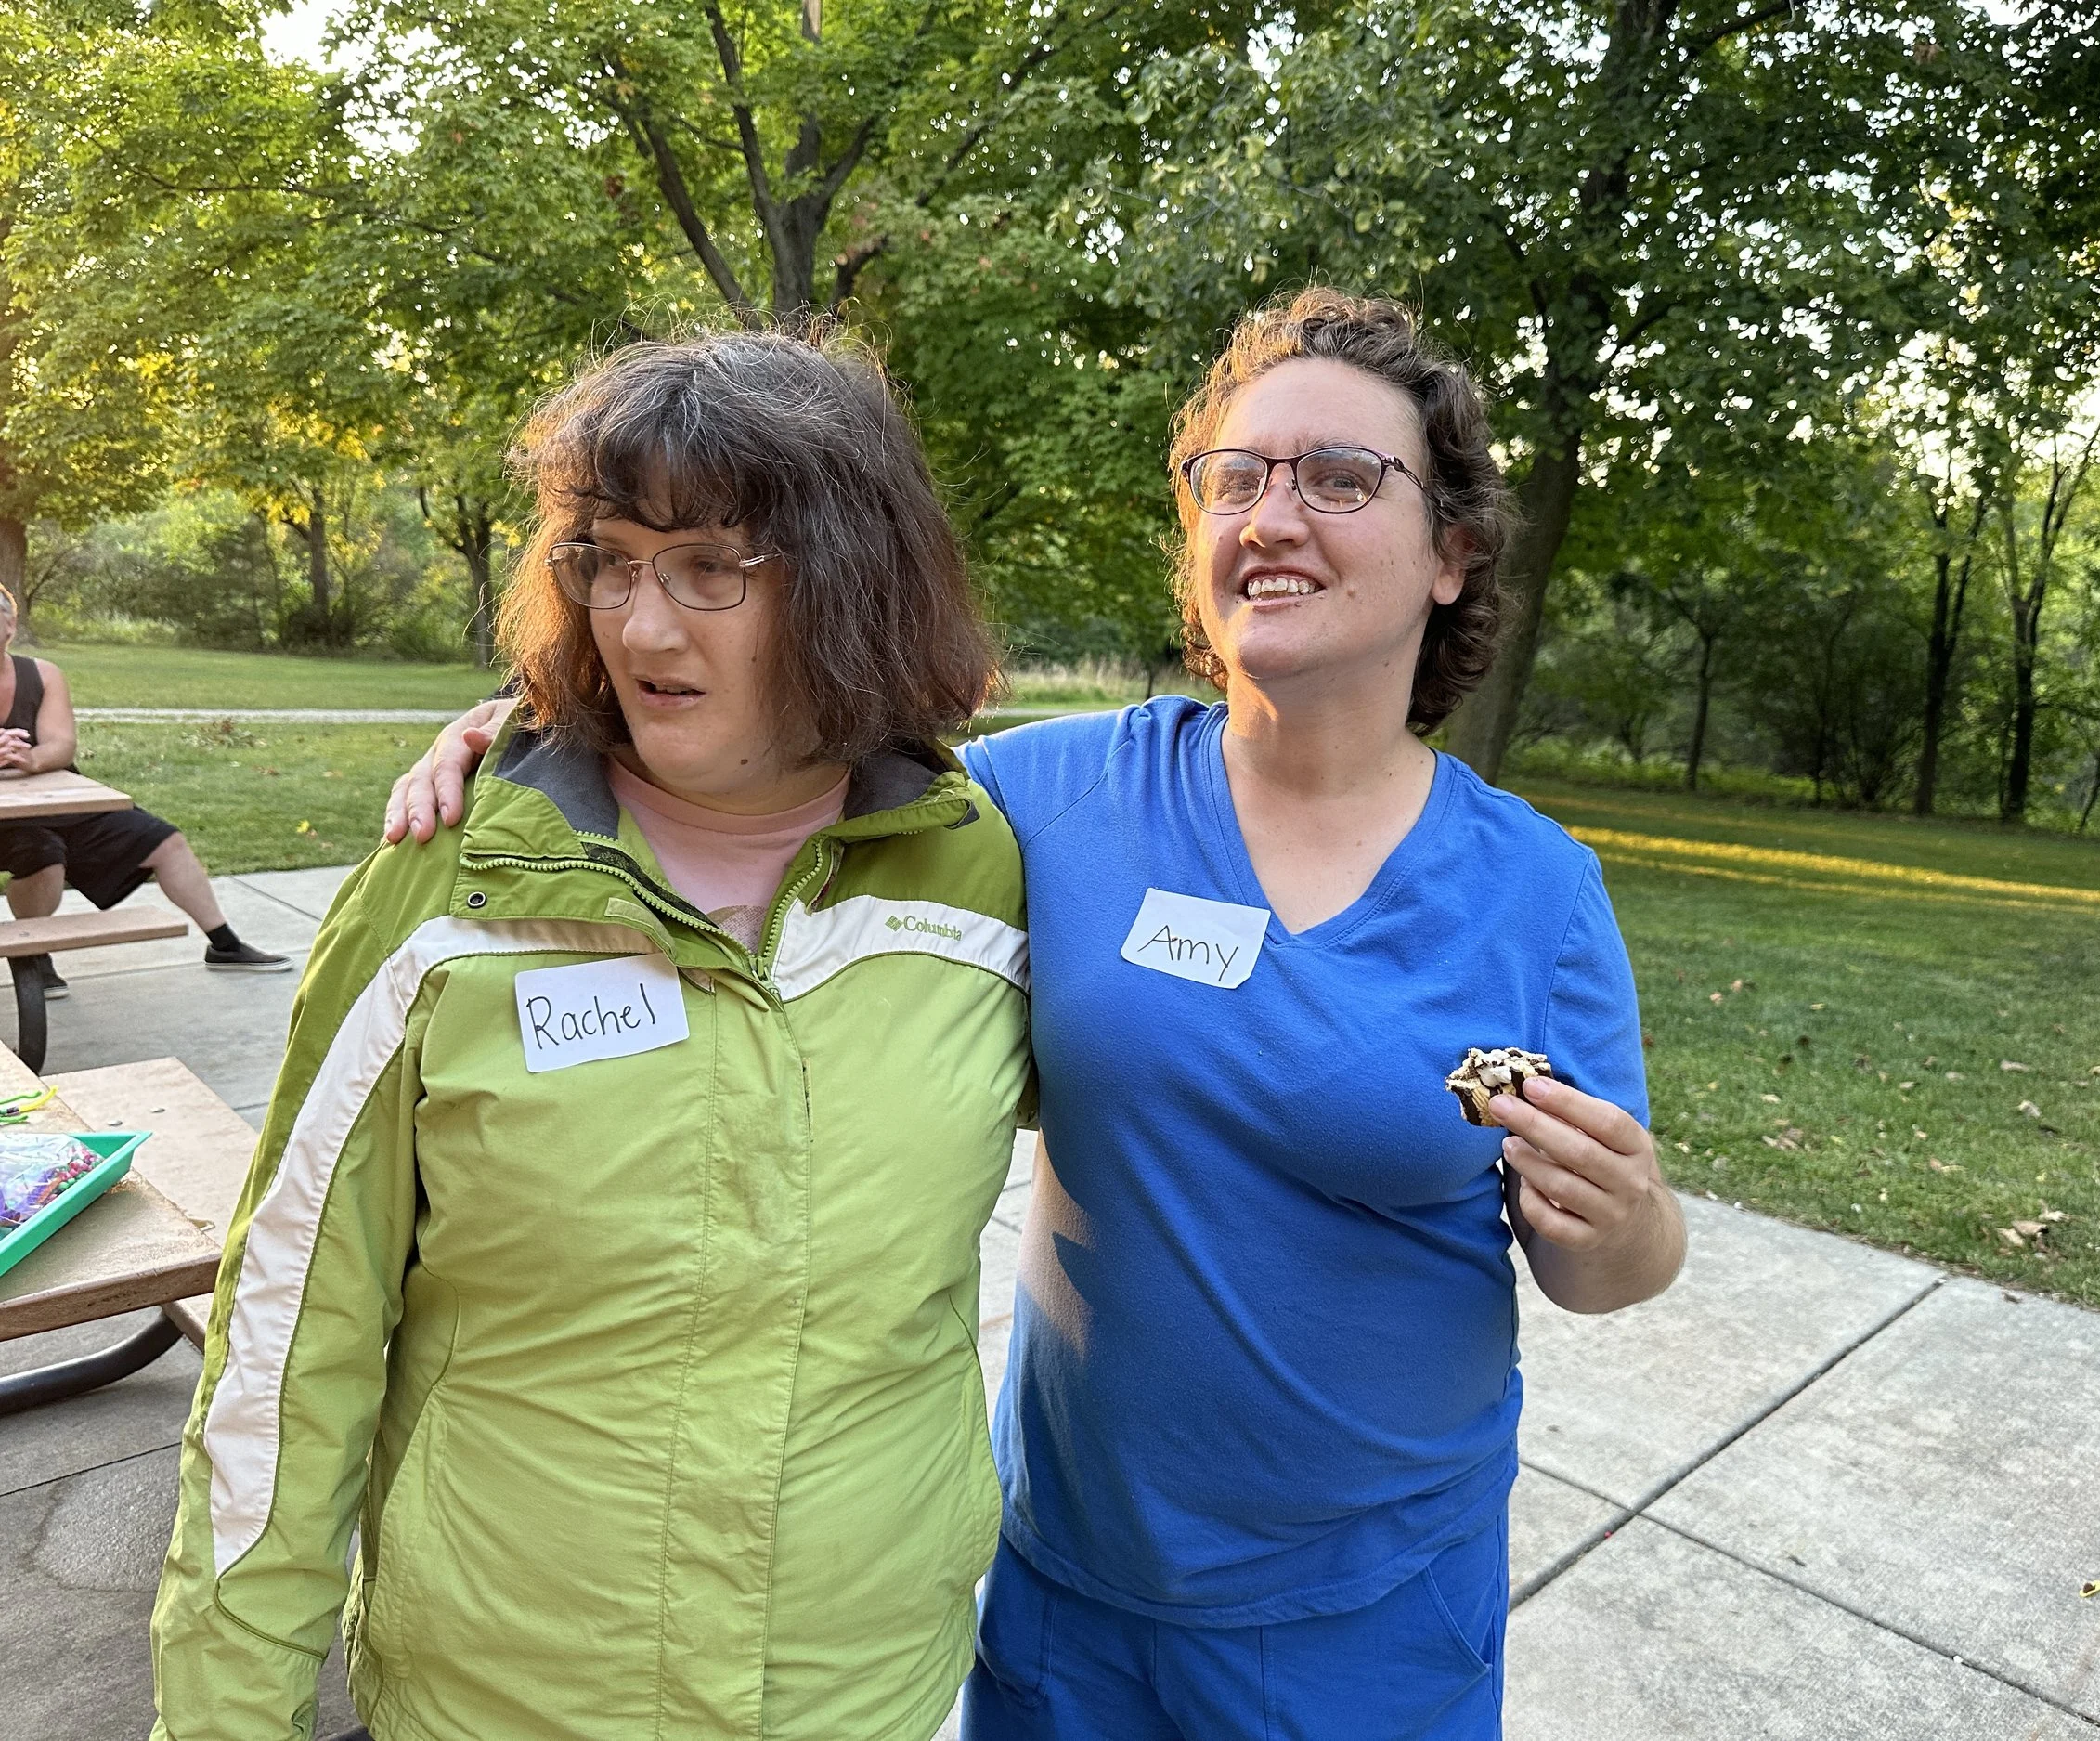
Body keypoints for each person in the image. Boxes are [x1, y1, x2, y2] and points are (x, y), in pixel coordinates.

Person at [384, 291, 1685, 1740]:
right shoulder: (1040, 800)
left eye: (1338, 477)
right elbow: (752, 732)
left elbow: (1606, 1267)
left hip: (1369, 1607)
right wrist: (539, 721)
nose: (1273, 513)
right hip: (1071, 1587)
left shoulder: (1539, 890)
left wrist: (1622, 1223)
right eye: (1235, 477)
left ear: (1451, 553)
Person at [151, 327, 1033, 1741]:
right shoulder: (451, 876)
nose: (642, 624)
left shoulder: (983, 864)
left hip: (865, 1687)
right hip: (504, 1695)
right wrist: (226, 1711)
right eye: (609, 559)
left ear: (853, 577)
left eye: (710, 568)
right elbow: (287, 1342)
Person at [0, 588, 288, 989]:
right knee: (43, 855)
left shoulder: (43, 675)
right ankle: (34, 957)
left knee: (164, 841)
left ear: (10, 625)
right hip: (6, 820)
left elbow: (61, 745)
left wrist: (30, 759)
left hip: (60, 799)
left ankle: (224, 944)